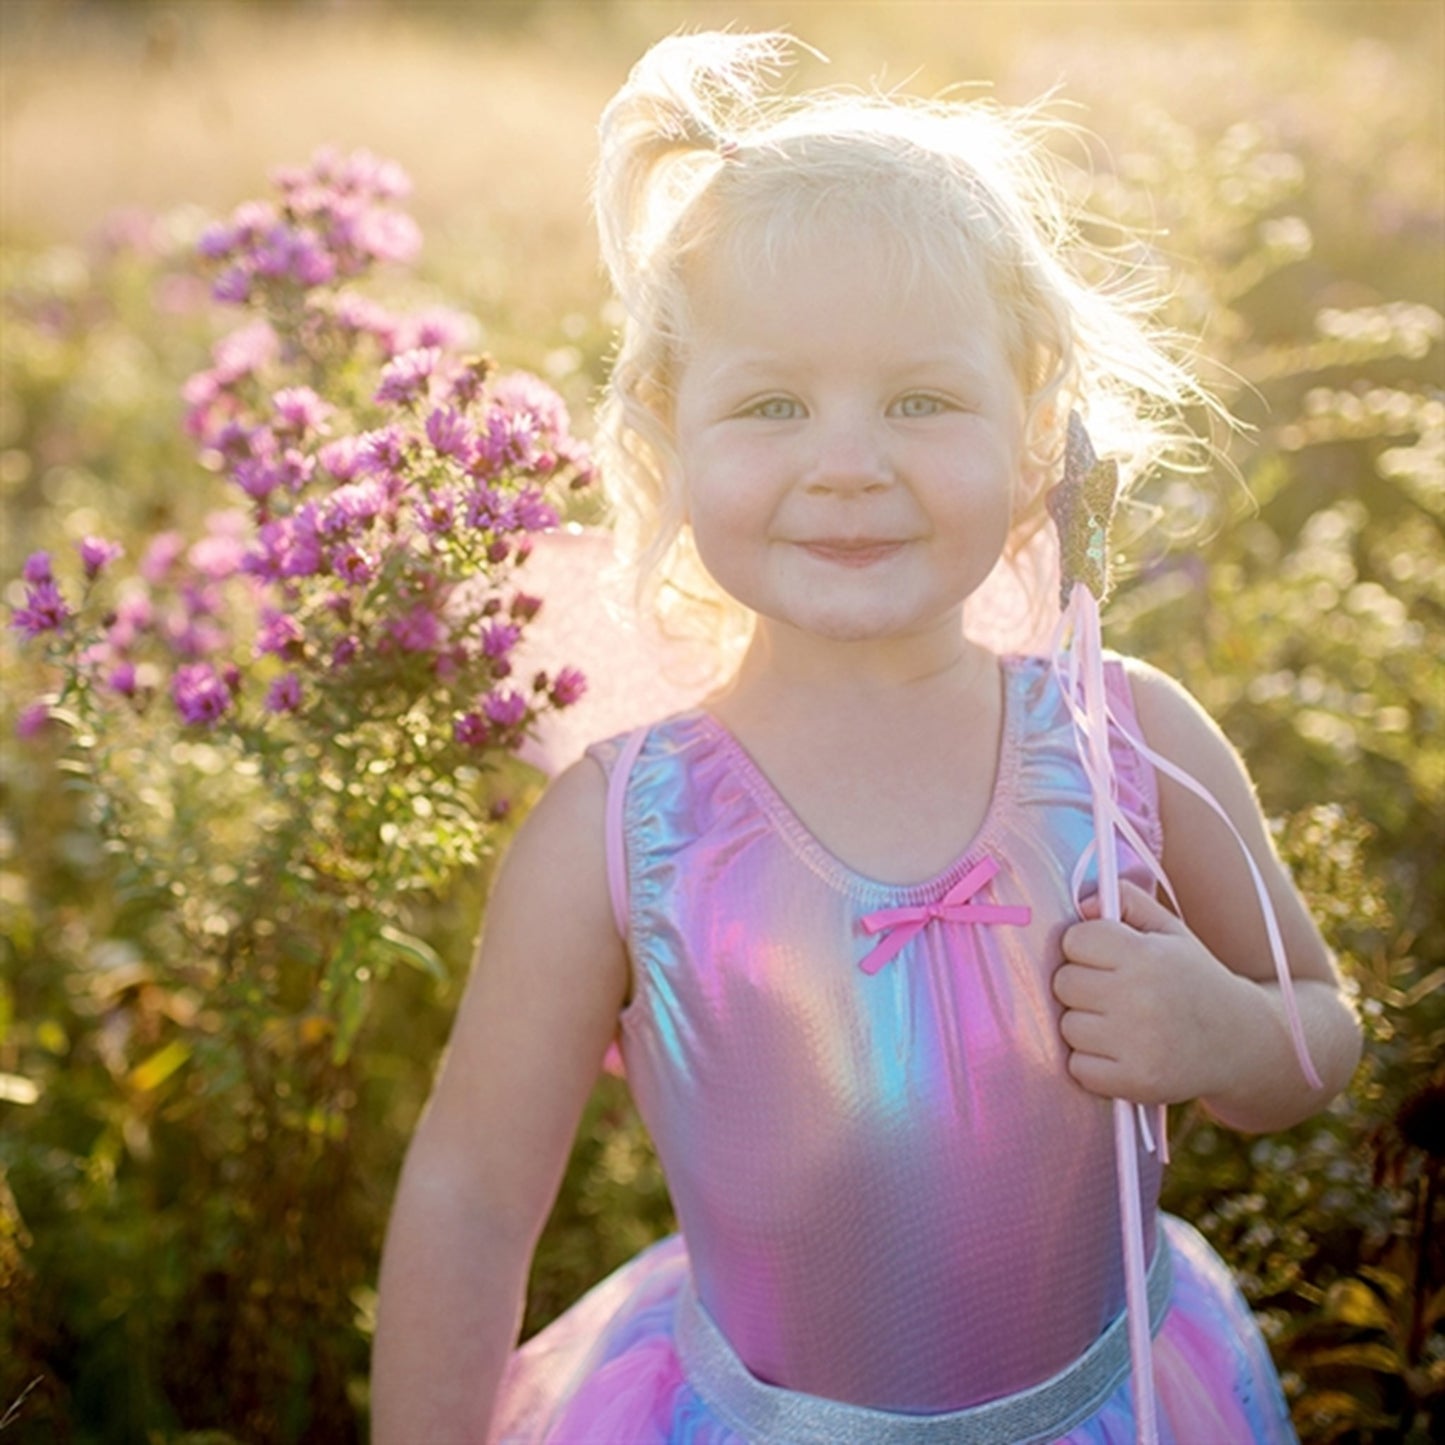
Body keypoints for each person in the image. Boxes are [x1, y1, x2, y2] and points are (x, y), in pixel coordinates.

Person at [371, 32, 1362, 1444]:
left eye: (921, 400)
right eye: (772, 404)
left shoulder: (1126, 739)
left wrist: (1222, 1029)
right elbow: (472, 1192)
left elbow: (1320, 1030)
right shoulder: (617, 829)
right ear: (669, 440)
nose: (848, 463)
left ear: (1034, 432)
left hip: (1117, 1402)